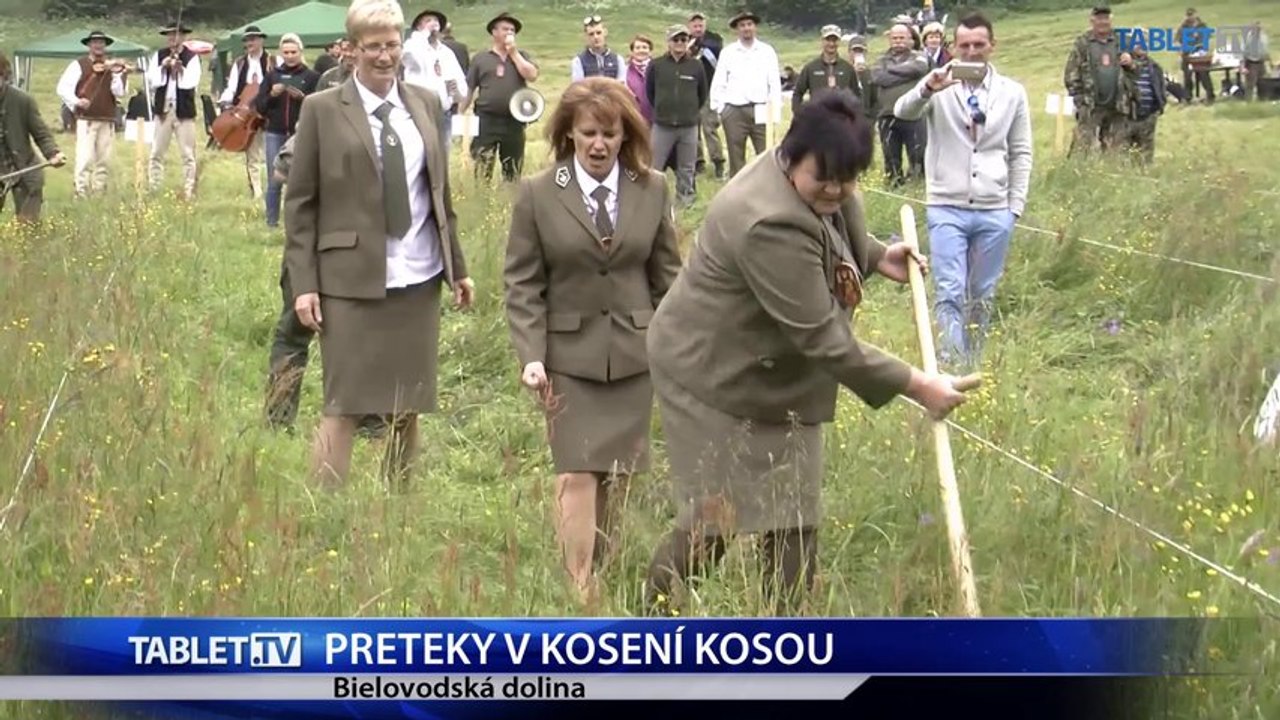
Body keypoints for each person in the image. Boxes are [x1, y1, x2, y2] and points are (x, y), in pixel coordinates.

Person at [643, 91, 977, 615]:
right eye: (825, 179)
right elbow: (822, 336)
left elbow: (830, 227)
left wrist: (874, 254)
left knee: (795, 514)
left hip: (774, 373)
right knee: (719, 516)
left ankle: (788, 635)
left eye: (848, 179)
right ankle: (649, 613)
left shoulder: (820, 179)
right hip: (710, 374)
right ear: (792, 157)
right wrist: (917, 385)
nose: (838, 190)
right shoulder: (765, 222)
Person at [503, 76, 681, 603]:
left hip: (633, 355)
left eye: (609, 133)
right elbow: (522, 283)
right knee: (577, 470)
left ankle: (606, 562)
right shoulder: (539, 194)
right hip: (566, 358)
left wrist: (684, 347)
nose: (599, 144)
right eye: (588, 134)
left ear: (626, 135)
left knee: (618, 476)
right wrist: (531, 356)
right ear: (569, 136)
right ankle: (581, 588)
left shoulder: (652, 189)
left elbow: (667, 277)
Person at [285, 0, 475, 488]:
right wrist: (305, 285)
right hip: (349, 280)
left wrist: (458, 266)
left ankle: (398, 508)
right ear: (351, 50)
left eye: (392, 44)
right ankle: (323, 512)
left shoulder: (425, 103)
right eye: (373, 47)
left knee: (408, 403)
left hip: (418, 278)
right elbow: (301, 204)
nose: (385, 56)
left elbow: (438, 192)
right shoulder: (322, 110)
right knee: (345, 402)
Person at [895, 12, 1032, 371]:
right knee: (950, 288)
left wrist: (1013, 207)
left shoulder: (1012, 93)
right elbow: (902, 112)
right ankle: (951, 363)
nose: (971, 52)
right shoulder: (938, 86)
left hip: (994, 208)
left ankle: (975, 359)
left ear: (991, 46)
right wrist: (928, 87)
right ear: (954, 46)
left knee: (982, 293)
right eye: (965, 44)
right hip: (946, 205)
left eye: (979, 44)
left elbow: (1020, 151)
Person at [264, 133, 387, 439]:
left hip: (362, 246)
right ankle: (278, 420)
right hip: (314, 244)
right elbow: (283, 167)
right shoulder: (327, 112)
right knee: (295, 332)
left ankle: (369, 420)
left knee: (361, 332)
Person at [462, 12, 540, 182]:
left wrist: (514, 53)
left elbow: (532, 75)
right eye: (505, 29)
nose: (509, 33)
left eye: (512, 30)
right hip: (486, 120)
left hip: (514, 120)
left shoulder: (522, 56)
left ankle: (510, 200)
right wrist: (460, 114)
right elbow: (469, 89)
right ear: (494, 32)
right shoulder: (481, 59)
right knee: (482, 166)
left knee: (512, 168)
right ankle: (483, 199)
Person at [254, 33, 320, 228]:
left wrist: (303, 98)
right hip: (275, 131)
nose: (290, 56)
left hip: (301, 134)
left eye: (293, 52)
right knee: (275, 178)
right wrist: (272, 95)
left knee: (303, 180)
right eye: (286, 53)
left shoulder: (312, 77)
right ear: (281, 54)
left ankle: (301, 221)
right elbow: (259, 106)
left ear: (300, 52)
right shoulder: (272, 75)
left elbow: (320, 106)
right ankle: (271, 222)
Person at [708, 9, 782, 179]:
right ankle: (737, 192)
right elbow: (719, 80)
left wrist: (775, 110)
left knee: (765, 152)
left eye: (749, 24)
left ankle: (767, 186)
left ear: (755, 27)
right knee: (736, 154)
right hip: (734, 109)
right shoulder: (728, 52)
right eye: (742, 25)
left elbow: (774, 83)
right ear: (737, 29)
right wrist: (720, 108)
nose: (746, 28)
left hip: (761, 107)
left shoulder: (766, 51)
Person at [55, 30, 126, 199]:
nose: (99, 45)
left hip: (107, 118)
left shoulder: (111, 67)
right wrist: (76, 101)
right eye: (95, 42)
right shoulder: (79, 65)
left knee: (104, 159)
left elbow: (119, 92)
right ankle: (81, 192)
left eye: (101, 42)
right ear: (89, 45)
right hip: (86, 119)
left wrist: (119, 74)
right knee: (85, 158)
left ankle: (99, 193)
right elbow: (62, 88)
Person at [0, 51, 67, 222]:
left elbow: (41, 133)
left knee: (28, 227)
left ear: (4, 76)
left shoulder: (22, 101)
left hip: (24, 169)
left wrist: (53, 154)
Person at [646, 24, 706, 208]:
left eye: (684, 39)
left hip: (688, 125)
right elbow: (650, 92)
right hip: (662, 125)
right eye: (676, 39)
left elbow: (702, 94)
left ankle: (686, 200)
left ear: (688, 42)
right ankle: (653, 201)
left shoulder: (696, 65)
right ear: (668, 42)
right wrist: (663, 109)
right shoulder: (656, 65)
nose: (680, 43)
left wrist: (689, 112)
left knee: (687, 167)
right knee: (655, 166)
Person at [147, 20, 201, 200]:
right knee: (156, 152)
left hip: (183, 111)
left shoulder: (192, 57)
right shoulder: (159, 55)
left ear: (183, 37)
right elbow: (152, 80)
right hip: (163, 110)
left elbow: (191, 82)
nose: (172, 38)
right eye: (169, 34)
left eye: (176, 34)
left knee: (187, 153)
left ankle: (188, 190)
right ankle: (154, 187)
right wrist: (163, 66)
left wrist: (180, 69)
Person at [219, 26, 273, 201]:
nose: (249, 43)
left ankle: (273, 189)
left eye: (253, 39)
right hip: (247, 115)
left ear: (261, 40)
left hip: (269, 112)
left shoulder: (273, 60)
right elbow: (232, 87)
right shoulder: (240, 63)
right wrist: (225, 103)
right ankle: (257, 191)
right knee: (252, 155)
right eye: (247, 40)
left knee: (273, 154)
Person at [402, 8, 468, 150]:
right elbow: (406, 56)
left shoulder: (447, 53)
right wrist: (423, 35)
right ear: (419, 27)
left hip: (444, 115)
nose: (433, 23)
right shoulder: (414, 47)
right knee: (419, 156)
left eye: (435, 21)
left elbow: (461, 88)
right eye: (428, 21)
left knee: (441, 159)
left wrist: (455, 92)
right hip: (419, 114)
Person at [1064, 6, 1125, 156]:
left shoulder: (1121, 41)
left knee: (1113, 147)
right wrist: (1078, 98)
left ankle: (1108, 174)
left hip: (1116, 104)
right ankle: (1074, 173)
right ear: (1092, 20)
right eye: (1099, 18)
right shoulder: (1083, 43)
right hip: (1090, 104)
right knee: (1082, 145)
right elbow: (1071, 72)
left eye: (1106, 18)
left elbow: (1137, 65)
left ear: (1111, 19)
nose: (1102, 22)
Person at [873, 24, 928, 186]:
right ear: (889, 40)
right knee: (890, 156)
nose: (898, 41)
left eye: (902, 38)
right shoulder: (880, 60)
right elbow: (878, 78)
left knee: (918, 154)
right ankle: (894, 185)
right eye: (894, 38)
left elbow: (920, 68)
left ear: (910, 40)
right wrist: (906, 74)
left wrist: (890, 71)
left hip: (914, 115)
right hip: (887, 115)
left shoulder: (919, 56)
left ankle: (917, 186)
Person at [687, 11, 725, 179]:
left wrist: (699, 45)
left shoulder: (714, 39)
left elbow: (716, 51)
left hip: (709, 89)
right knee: (692, 129)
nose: (697, 28)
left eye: (700, 25)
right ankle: (698, 162)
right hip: (690, 90)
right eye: (694, 25)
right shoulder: (684, 40)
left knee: (710, 127)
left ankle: (718, 162)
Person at [791, 25, 857, 116]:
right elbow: (797, 93)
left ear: (839, 42)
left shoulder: (847, 68)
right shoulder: (811, 68)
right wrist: (799, 115)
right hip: (817, 121)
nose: (831, 44)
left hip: (842, 122)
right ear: (822, 41)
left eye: (834, 40)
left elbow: (856, 95)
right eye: (828, 40)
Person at [1116, 46, 1166, 164]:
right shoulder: (1122, 65)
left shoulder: (1154, 67)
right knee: (1123, 150)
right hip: (1126, 116)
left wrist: (1159, 106)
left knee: (1146, 151)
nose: (1141, 48)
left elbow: (1160, 87)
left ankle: (1145, 174)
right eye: (1137, 45)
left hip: (1149, 114)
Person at [572, 16, 627, 82]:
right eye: (591, 34)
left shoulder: (618, 60)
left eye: (598, 33)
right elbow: (578, 88)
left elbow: (621, 87)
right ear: (586, 36)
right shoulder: (578, 62)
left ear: (605, 33)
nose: (596, 37)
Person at [623, 35, 654, 125]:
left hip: (655, 119)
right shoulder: (626, 70)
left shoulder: (656, 69)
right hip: (633, 118)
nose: (641, 50)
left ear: (650, 51)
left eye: (645, 47)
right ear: (632, 51)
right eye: (638, 48)